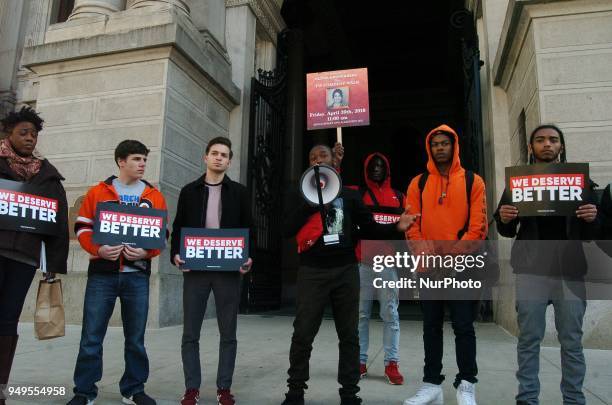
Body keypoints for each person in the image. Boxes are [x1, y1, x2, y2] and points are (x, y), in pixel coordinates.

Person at [281, 144, 416, 405]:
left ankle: (349, 394)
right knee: (303, 334)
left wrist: (397, 227)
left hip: (345, 271)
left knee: (349, 335)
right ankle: (295, 392)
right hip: (312, 271)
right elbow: (286, 229)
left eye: (322, 155)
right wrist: (310, 204)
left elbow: (369, 228)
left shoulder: (350, 195)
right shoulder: (299, 194)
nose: (317, 160)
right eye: (312, 157)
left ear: (333, 160)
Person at [494, 124, 598, 405]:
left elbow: (594, 234)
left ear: (561, 146)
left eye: (553, 140)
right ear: (531, 148)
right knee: (528, 339)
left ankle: (574, 400)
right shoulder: (518, 183)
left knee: (572, 343)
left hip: (570, 271)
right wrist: (503, 217)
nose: (547, 144)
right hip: (531, 271)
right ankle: (527, 399)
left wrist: (593, 218)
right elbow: (506, 228)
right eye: (540, 140)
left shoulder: (582, 183)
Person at [68, 140, 167, 405]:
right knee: (91, 336)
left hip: (137, 276)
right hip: (103, 274)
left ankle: (133, 389)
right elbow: (82, 228)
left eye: (145, 159)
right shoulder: (98, 191)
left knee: (135, 338)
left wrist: (147, 253)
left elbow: (160, 235)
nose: (142, 164)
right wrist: (98, 250)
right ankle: (84, 391)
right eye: (137, 159)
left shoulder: (154, 195)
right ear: (121, 161)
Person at [403, 125, 488, 405]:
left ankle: (467, 384)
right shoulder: (418, 183)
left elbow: (478, 227)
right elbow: (411, 225)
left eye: (445, 143)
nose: (440, 148)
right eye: (435, 144)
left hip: (462, 267)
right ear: (430, 148)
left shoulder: (473, 181)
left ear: (454, 146)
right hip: (429, 267)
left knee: (464, 326)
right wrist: (426, 254)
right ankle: (431, 384)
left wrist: (453, 256)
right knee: (431, 326)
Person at [170, 136, 253, 405]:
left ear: (229, 161)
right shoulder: (189, 191)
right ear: (205, 157)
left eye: (224, 155)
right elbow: (179, 226)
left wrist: (247, 257)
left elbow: (248, 229)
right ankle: (191, 388)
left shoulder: (239, 192)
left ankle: (224, 388)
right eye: (214, 153)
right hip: (195, 269)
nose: (219, 158)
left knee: (228, 332)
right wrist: (175, 254)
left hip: (228, 269)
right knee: (190, 332)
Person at [0, 106, 69, 404]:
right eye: (24, 133)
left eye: (34, 134)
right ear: (9, 134)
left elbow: (58, 223)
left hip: (24, 259)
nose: (30, 138)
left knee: (7, 321)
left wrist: (52, 266)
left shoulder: (48, 176)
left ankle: (1, 387)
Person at [341, 152, 406, 384]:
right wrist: (337, 162)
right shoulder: (358, 194)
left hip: (388, 264)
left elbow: (410, 230)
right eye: (372, 165)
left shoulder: (399, 197)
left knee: (390, 314)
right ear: (366, 170)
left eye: (381, 165)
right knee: (360, 315)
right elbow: (334, 189)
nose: (376, 168)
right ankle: (359, 361)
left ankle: (392, 363)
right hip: (362, 263)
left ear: (387, 169)